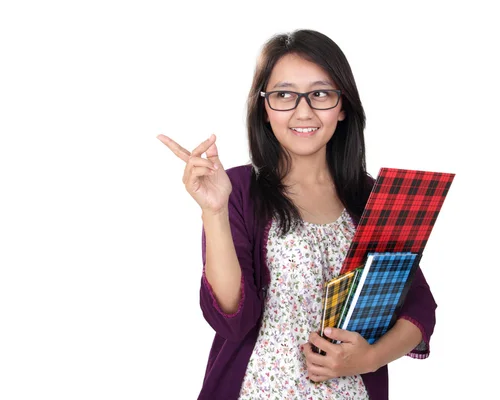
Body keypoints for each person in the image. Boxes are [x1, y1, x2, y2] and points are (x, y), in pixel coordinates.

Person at [157, 29, 436, 400]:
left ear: (343, 108)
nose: (303, 111)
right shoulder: (237, 189)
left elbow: (418, 304)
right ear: (264, 108)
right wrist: (214, 212)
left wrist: (368, 359)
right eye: (284, 94)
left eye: (320, 94)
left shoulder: (373, 197)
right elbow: (231, 317)